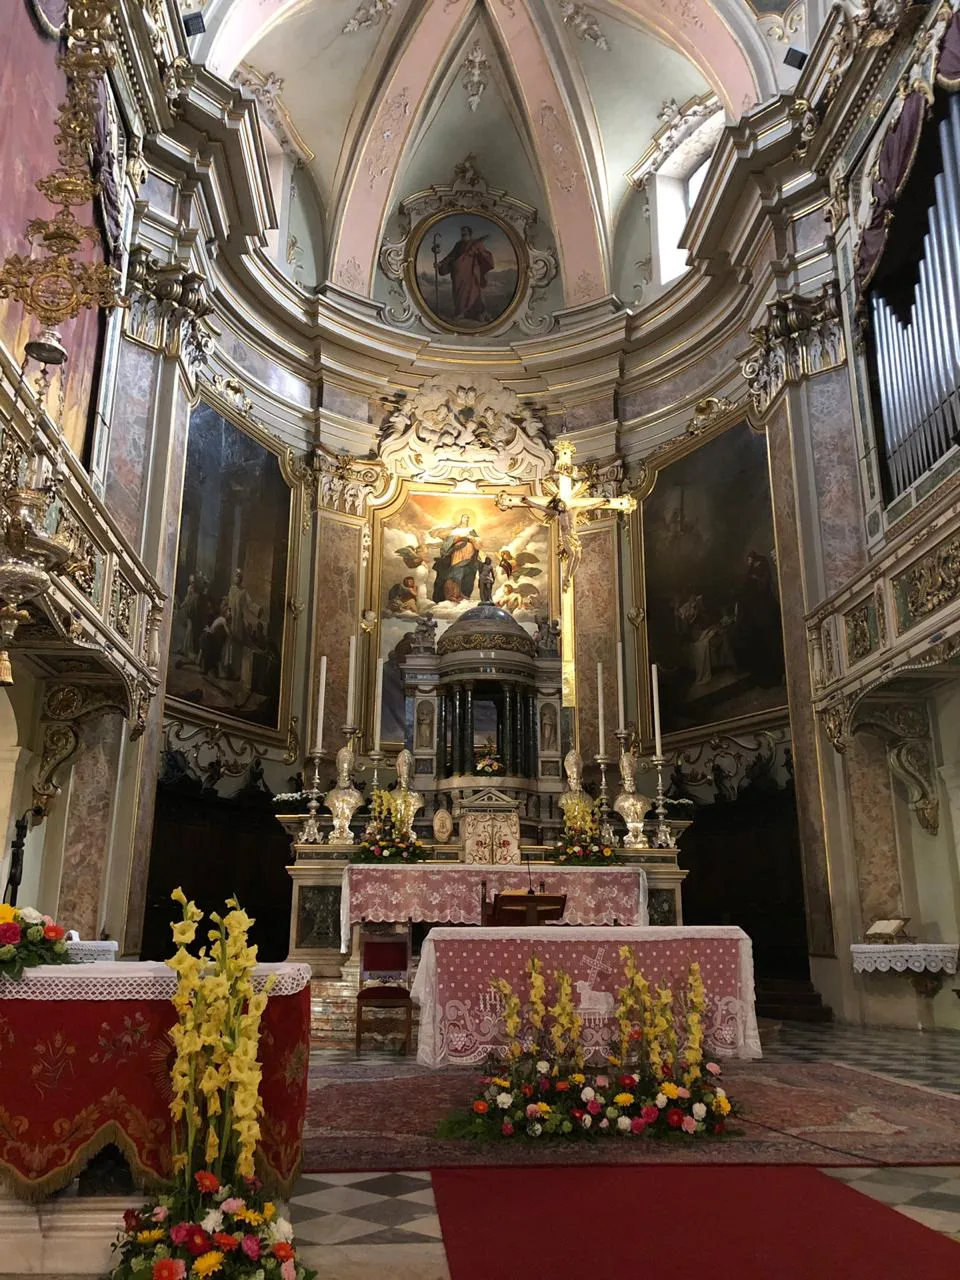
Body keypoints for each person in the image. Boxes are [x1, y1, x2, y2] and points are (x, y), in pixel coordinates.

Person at [438, 225, 495, 322]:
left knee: (473, 291)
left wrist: (478, 254)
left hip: (472, 273)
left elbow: (485, 255)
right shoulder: (458, 245)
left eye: (465, 232)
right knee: (459, 292)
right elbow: (451, 256)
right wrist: (441, 263)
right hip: (458, 274)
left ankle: (477, 313)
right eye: (462, 232)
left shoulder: (477, 244)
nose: (463, 233)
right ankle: (461, 312)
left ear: (469, 233)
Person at [430, 514, 481, 604]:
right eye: (465, 517)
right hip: (457, 554)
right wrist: (457, 539)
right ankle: (453, 595)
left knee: (464, 573)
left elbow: (478, 541)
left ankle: (461, 595)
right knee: (455, 574)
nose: (467, 519)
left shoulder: (471, 530)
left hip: (468, 553)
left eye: (468, 517)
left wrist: (471, 539)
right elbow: (448, 542)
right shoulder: (455, 530)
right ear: (461, 518)